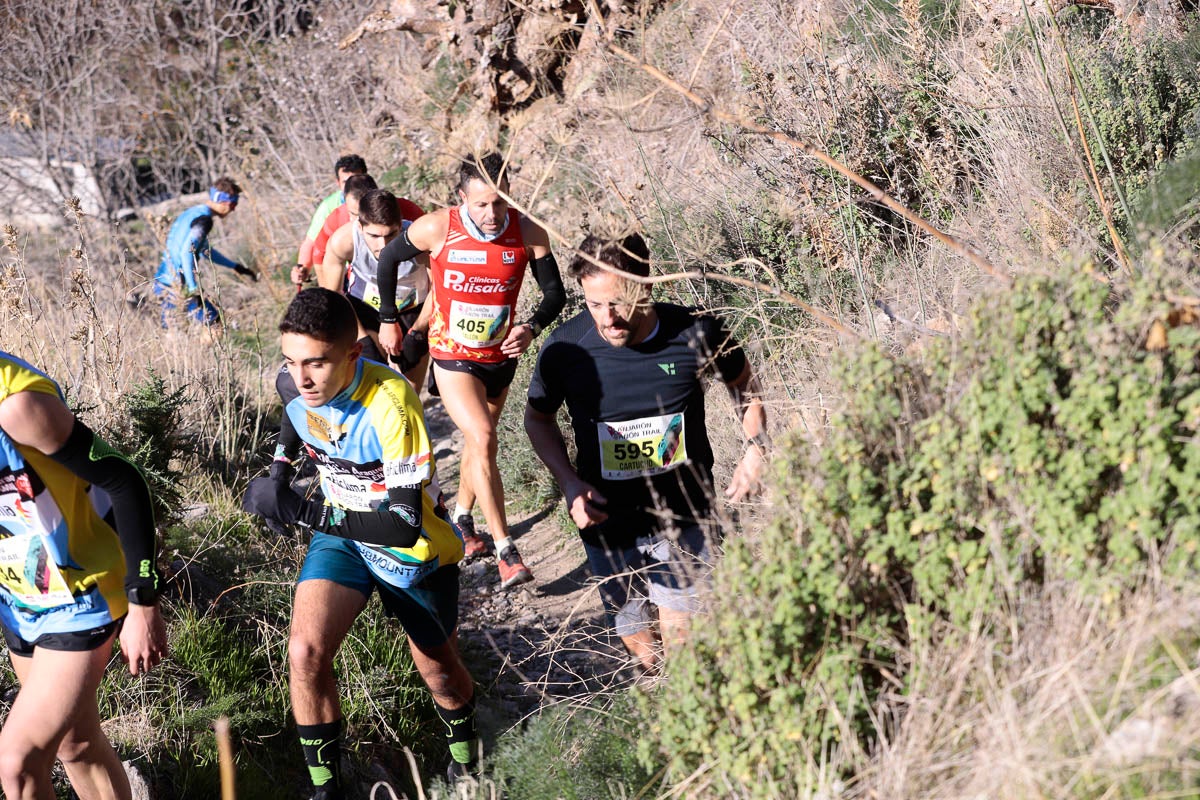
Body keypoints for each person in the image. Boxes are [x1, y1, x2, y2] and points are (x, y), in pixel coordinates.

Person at [241, 289, 479, 797]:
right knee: (305, 653)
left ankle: (467, 759)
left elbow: (402, 526)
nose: (301, 377)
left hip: (410, 553)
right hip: (342, 538)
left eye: (316, 363)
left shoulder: (391, 404)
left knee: (439, 675)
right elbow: (294, 407)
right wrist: (279, 473)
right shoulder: (295, 381)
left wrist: (302, 510)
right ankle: (326, 789)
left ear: (352, 353)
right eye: (291, 361)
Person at [523, 233, 767, 673]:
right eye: (594, 304)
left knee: (684, 647)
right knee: (644, 652)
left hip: (684, 512)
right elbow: (538, 420)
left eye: (618, 303)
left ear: (646, 286)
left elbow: (744, 386)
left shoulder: (696, 332)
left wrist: (756, 448)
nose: (608, 318)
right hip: (606, 520)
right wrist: (569, 482)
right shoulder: (566, 348)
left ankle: (688, 703)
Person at [375, 153, 566, 590]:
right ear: (462, 198)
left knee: (482, 444)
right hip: (451, 354)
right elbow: (387, 260)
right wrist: (388, 318)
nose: (492, 213)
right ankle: (506, 551)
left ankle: (461, 517)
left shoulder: (529, 232)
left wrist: (531, 327)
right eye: (481, 204)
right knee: (482, 437)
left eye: (499, 202)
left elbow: (554, 293)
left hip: (500, 355)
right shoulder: (437, 228)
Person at [0, 351, 167, 799]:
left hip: (81, 595)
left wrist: (142, 600)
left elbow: (125, 480)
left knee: (18, 764)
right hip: (19, 598)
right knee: (75, 745)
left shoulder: (17, 406)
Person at [320, 188, 432, 390]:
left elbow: (441, 289)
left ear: (401, 225)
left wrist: (419, 330)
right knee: (372, 380)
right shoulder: (343, 241)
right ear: (360, 226)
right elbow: (332, 296)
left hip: (413, 310)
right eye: (373, 235)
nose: (383, 245)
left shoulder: (420, 240)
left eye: (391, 235)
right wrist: (361, 336)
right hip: (366, 309)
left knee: (407, 390)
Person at [153, 177, 257, 327]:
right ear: (222, 201)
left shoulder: (193, 212)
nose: (233, 209)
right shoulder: (204, 220)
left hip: (162, 283)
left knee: (174, 334)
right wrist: (193, 288)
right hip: (176, 286)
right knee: (216, 327)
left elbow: (205, 251)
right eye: (233, 204)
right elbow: (187, 253)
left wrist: (235, 266)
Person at [310, 175, 423, 275]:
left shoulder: (405, 209)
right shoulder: (337, 221)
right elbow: (319, 255)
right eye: (354, 214)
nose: (359, 219)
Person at [292, 155, 368, 288]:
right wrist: (302, 267)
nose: (351, 186)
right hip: (344, 271)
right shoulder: (329, 206)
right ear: (338, 182)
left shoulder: (379, 200)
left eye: (355, 180)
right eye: (345, 182)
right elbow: (311, 242)